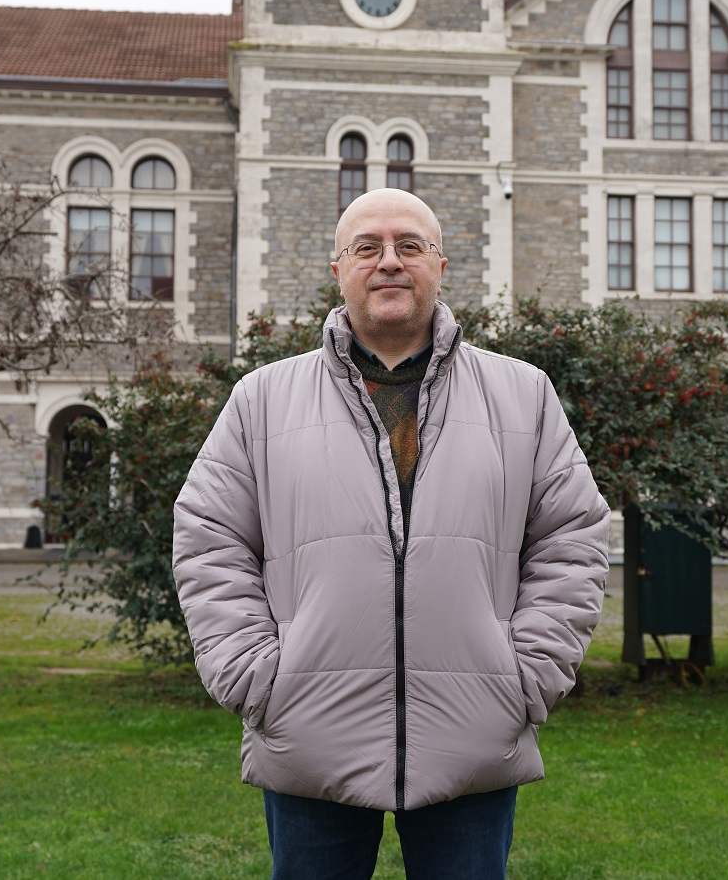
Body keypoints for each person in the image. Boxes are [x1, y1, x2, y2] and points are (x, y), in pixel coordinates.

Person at [173, 187, 610, 879]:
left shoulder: (522, 394)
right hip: (309, 733)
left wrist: (526, 675)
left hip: (472, 736)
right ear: (338, 268)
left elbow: (573, 536)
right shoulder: (262, 400)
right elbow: (209, 536)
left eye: (409, 246)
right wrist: (257, 677)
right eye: (367, 248)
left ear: (441, 265)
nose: (389, 262)